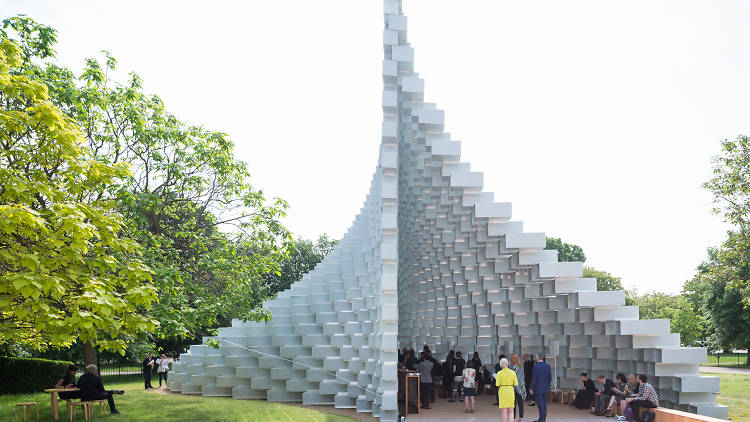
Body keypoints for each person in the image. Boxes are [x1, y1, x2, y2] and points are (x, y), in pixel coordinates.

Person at [530, 353, 551, 422]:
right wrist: (547, 386)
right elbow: (549, 378)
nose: (535, 358)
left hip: (538, 388)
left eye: (536, 357)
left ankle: (542, 420)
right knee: (544, 404)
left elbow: (534, 379)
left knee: (540, 404)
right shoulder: (548, 366)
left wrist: (531, 388)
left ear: (538, 358)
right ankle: (542, 419)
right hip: (545, 388)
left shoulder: (536, 367)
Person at [495, 358, 517, 422]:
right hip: (510, 391)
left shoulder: (499, 373)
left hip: (502, 391)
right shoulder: (513, 372)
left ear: (501, 365)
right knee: (511, 410)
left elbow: (497, 384)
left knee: (504, 410)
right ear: (507, 364)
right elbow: (516, 384)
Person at [509, 354, 527, 422]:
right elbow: (522, 377)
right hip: (520, 387)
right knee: (521, 404)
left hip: (513, 387)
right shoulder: (521, 367)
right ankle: (521, 419)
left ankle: (513, 418)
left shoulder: (511, 368)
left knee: (513, 404)